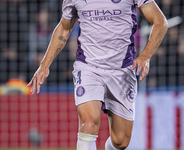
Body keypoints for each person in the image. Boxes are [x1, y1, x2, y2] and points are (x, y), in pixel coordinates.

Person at [27, 0, 168, 149]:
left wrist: (145, 56)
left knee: (121, 141)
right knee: (88, 124)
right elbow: (64, 28)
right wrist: (44, 64)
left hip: (122, 70)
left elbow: (160, 21)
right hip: (88, 67)